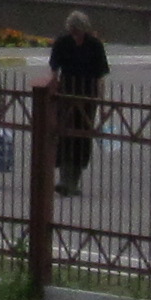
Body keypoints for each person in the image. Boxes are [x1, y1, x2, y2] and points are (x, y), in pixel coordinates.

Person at [46, 11, 111, 195]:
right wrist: (52, 94)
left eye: (78, 31)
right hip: (66, 95)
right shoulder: (62, 43)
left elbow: (100, 77)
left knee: (82, 137)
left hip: (88, 98)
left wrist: (103, 104)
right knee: (65, 136)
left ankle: (73, 181)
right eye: (72, 30)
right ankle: (65, 180)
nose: (75, 34)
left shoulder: (95, 45)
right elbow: (54, 71)